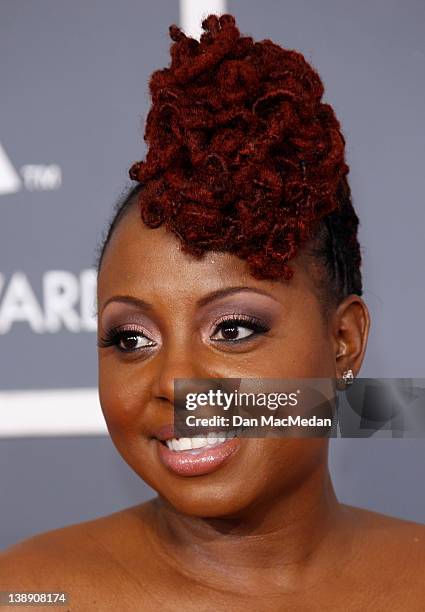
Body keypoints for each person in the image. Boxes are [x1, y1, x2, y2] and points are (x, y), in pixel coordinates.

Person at [1, 13, 424, 611]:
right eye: (130, 338)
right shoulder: (32, 593)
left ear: (344, 341)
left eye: (233, 329)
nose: (177, 383)